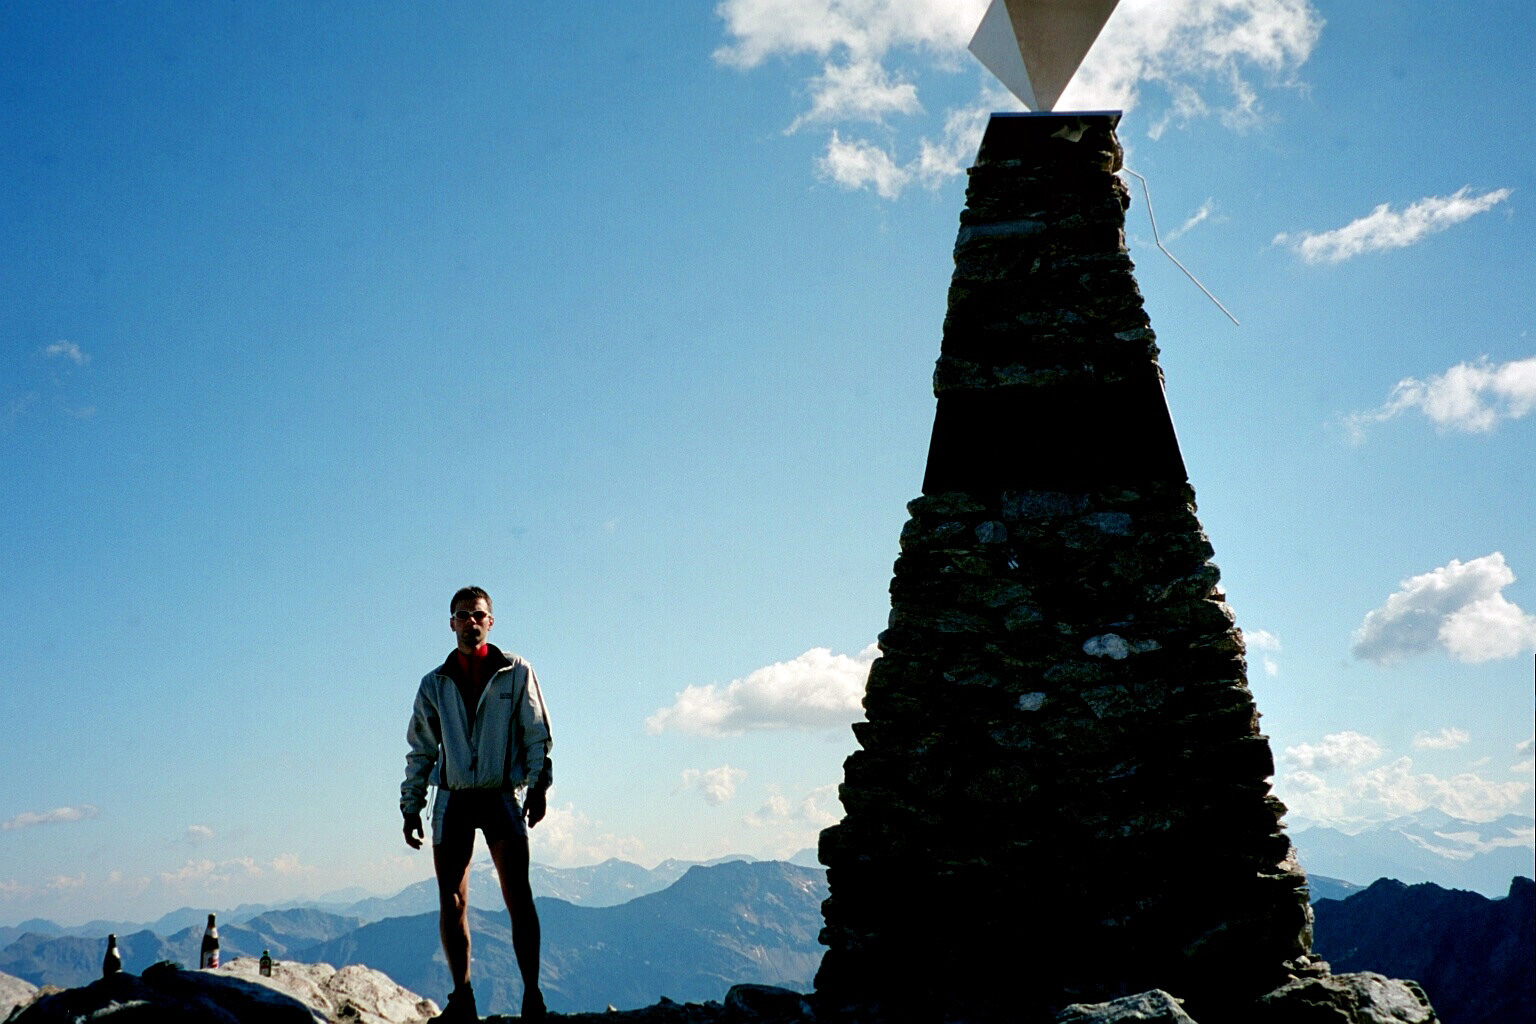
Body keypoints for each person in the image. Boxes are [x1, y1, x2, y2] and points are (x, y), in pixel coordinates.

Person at [402, 586, 552, 1022]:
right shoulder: (434, 684)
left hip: (501, 794)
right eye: (463, 615)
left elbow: (536, 732)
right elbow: (421, 750)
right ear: (451, 623)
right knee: (452, 901)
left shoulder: (516, 672)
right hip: (453, 798)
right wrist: (411, 805)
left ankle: (532, 997)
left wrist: (539, 786)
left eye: (478, 614)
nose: (471, 621)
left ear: (491, 621)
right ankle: (462, 998)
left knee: (518, 895)